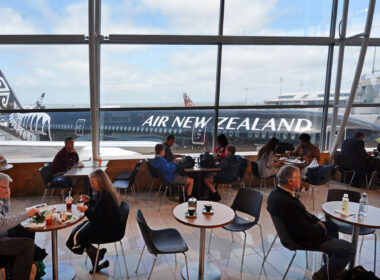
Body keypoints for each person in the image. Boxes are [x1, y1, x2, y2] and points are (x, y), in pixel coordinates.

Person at [267, 165, 355, 280]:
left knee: (332, 227)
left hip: (293, 234)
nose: (301, 179)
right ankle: (323, 274)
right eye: (298, 177)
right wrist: (321, 228)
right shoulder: (287, 202)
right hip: (301, 239)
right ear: (290, 181)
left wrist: (318, 222)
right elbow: (304, 232)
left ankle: (332, 268)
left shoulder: (276, 193)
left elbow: (303, 216)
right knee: (349, 249)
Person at [66, 169, 123, 273]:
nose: (91, 185)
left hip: (110, 231)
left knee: (78, 235)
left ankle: (96, 254)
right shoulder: (106, 192)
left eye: (93, 183)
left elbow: (100, 221)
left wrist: (86, 211)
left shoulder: (106, 197)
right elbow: (101, 209)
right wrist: (90, 201)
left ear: (100, 181)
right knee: (78, 231)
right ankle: (97, 254)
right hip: (109, 225)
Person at [0, 173, 41, 280]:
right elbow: (3, 223)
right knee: (28, 245)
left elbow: (4, 211)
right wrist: (27, 213)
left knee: (26, 227)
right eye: (4, 187)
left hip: (2, 234)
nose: (7, 189)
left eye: (8, 186)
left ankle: (18, 266)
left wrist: (6, 198)